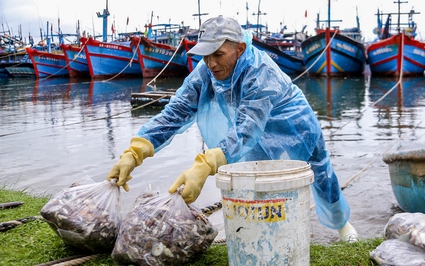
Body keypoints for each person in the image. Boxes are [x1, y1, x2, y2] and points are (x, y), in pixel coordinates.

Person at [106, 15, 358, 243]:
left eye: (218, 54)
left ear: (240, 49)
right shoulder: (205, 74)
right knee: (257, 183)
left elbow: (247, 129)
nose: (211, 63)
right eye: (206, 55)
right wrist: (135, 151)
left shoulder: (259, 71)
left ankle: (342, 224)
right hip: (253, 132)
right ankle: (266, 235)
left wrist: (205, 165)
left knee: (321, 174)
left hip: (294, 125)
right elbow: (175, 112)